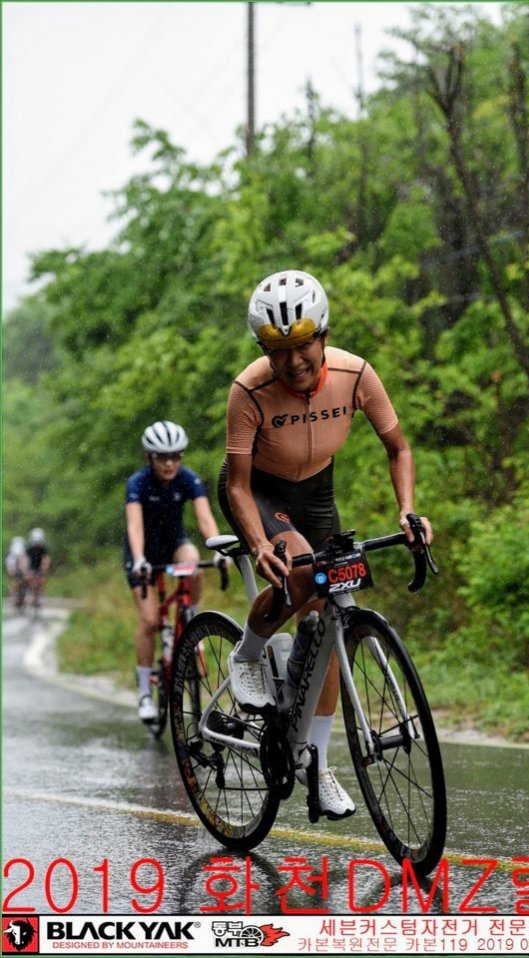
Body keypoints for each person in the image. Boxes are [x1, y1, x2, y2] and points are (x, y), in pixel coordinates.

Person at [218, 269, 433, 820]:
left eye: (303, 344)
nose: (293, 361)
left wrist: (407, 511)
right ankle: (246, 654)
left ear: (324, 334)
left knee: (333, 612)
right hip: (260, 491)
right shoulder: (248, 390)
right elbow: (237, 483)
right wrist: (260, 540)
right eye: (277, 349)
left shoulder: (356, 373)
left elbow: (398, 448)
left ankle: (316, 760)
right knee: (301, 575)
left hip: (317, 491)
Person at [124, 420, 228, 724]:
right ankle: (145, 692)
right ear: (149, 458)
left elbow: (205, 519)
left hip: (174, 545)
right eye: (161, 457)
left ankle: (190, 616)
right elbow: (135, 525)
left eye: (175, 456)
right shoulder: (138, 483)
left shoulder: (189, 480)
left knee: (194, 560)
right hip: (142, 552)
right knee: (150, 621)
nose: (169, 463)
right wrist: (140, 558)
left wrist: (219, 550)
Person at [25, 528, 51, 608]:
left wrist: (45, 567)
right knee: (27, 578)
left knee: (42, 580)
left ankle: (40, 595)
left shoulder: (43, 548)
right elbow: (25, 559)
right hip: (31, 567)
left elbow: (47, 558)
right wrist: (25, 569)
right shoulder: (29, 548)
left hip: (40, 567)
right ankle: (29, 591)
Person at [5, 536, 28, 611]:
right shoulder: (10, 554)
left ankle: (26, 596)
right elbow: (9, 565)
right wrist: (11, 571)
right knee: (14, 583)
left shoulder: (24, 553)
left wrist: (25, 571)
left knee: (26, 581)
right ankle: (14, 596)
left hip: (22, 571)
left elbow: (26, 563)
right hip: (14, 572)